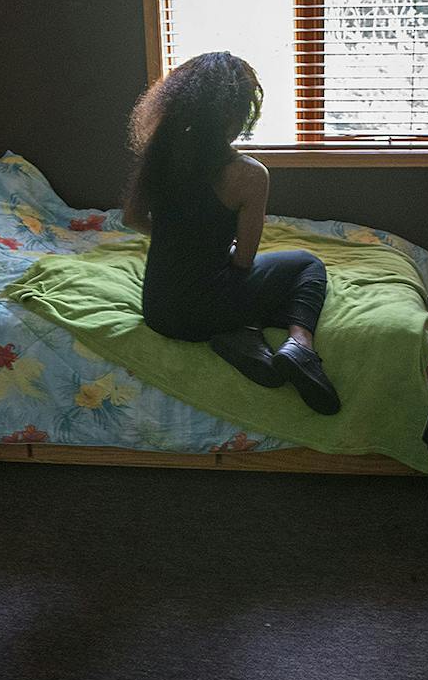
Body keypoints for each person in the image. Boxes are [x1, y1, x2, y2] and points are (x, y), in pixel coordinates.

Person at [124, 51, 340, 414]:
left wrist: (173, 241)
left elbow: (132, 218)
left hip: (159, 311)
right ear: (237, 113)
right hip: (208, 308)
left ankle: (243, 335)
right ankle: (300, 345)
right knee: (305, 266)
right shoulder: (249, 174)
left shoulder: (160, 154)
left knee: (261, 288)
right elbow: (243, 261)